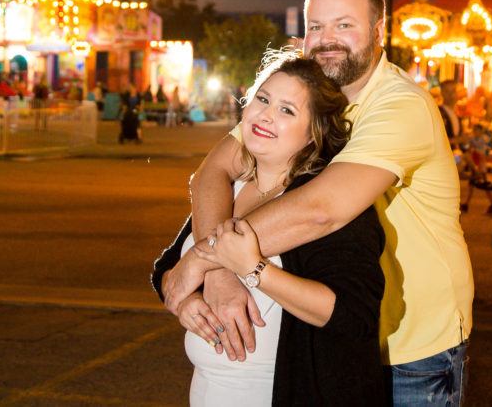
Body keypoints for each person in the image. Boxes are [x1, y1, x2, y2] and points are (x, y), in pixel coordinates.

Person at [162, 0, 473, 406]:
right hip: (332, 338)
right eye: (316, 26)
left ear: (379, 30)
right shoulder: (304, 98)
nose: (327, 39)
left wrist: (202, 258)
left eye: (344, 25)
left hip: (411, 345)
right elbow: (214, 170)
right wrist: (218, 272)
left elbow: (322, 209)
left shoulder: (400, 104)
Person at [152, 52, 385, 406]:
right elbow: (168, 274)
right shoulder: (227, 191)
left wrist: (252, 269)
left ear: (313, 134)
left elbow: (355, 316)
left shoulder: (321, 206)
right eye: (263, 99)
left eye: (286, 110)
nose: (266, 115)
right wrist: (187, 303)